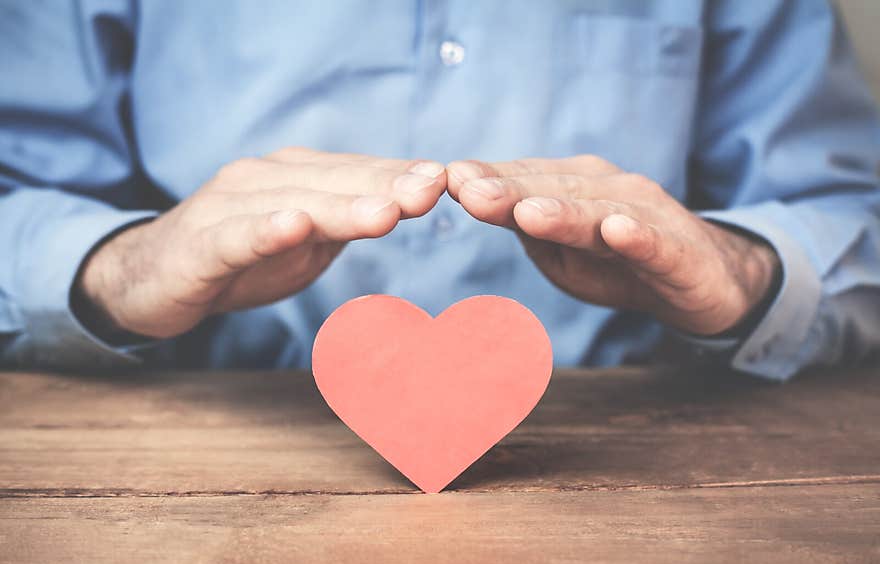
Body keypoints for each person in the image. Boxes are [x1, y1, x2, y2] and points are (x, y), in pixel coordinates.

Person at [1, 0, 878, 380]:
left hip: (644, 460)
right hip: (190, 461)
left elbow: (853, 212)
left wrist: (748, 271)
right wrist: (114, 271)